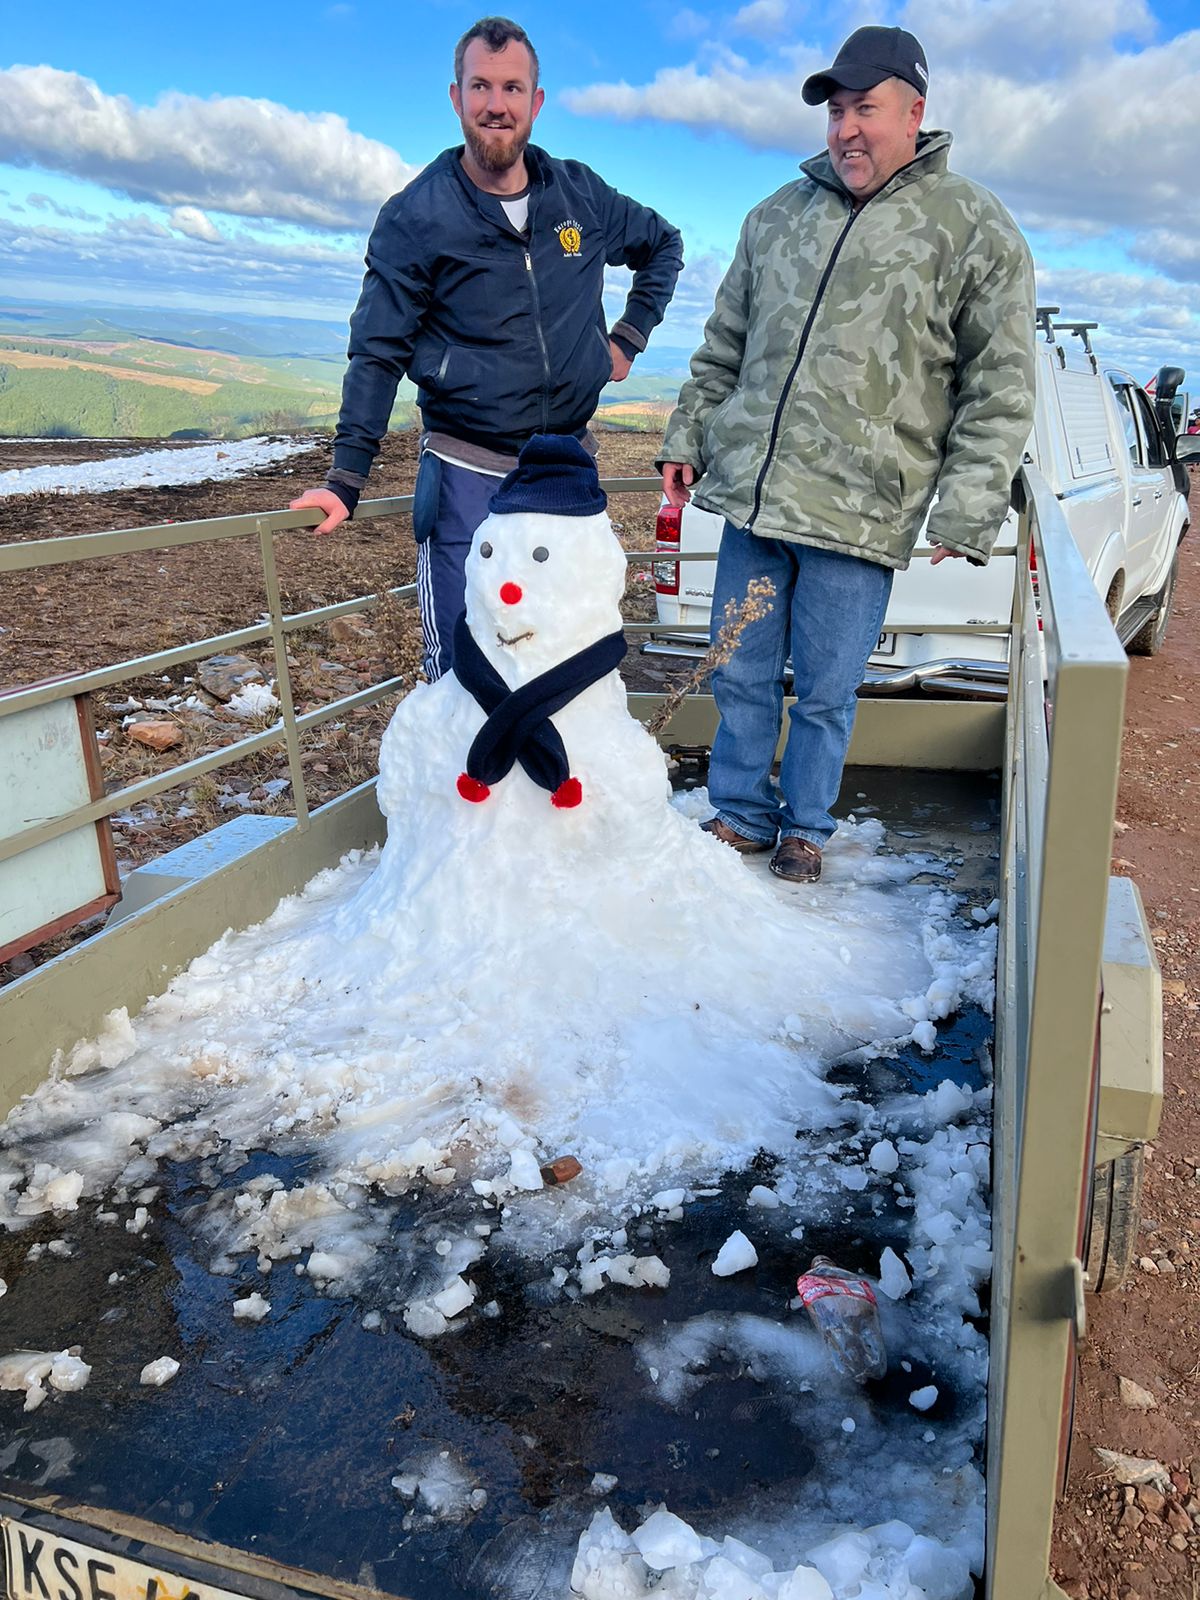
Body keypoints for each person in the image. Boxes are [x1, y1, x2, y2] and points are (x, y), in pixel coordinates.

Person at [659, 25, 1035, 882]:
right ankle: (741, 812)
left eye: (865, 108)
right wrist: (688, 435)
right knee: (739, 672)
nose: (846, 128)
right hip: (756, 500)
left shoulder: (973, 226)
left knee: (827, 691)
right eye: (836, 112)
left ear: (915, 111)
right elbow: (724, 348)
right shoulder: (775, 217)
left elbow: (1000, 382)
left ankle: (806, 828)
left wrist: (970, 504)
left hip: (861, 512)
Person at [292, 15, 683, 681]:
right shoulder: (417, 215)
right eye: (480, 86)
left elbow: (663, 245)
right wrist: (345, 479)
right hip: (464, 476)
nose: (495, 104)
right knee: (461, 671)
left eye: (511, 88)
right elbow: (377, 351)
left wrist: (627, 338)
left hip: (565, 471)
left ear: (536, 101)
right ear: (456, 97)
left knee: (564, 662)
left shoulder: (580, 195)